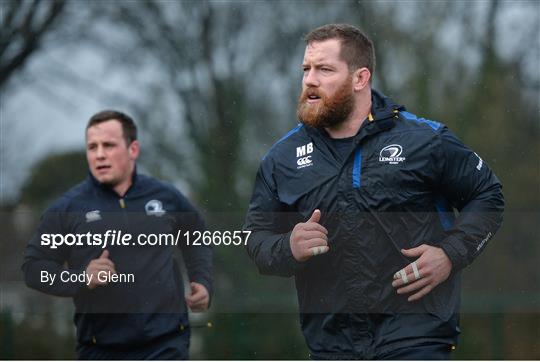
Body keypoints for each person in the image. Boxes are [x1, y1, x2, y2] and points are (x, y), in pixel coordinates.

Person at [244, 24, 504, 360]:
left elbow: (488, 195)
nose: (310, 80)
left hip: (416, 337)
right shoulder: (281, 158)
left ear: (360, 78)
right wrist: (287, 246)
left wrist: (450, 253)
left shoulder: (425, 139)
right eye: (306, 70)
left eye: (324, 69)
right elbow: (254, 237)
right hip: (330, 346)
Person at [22, 110, 212, 359]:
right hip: (101, 349)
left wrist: (202, 281)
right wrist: (81, 278)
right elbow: (34, 268)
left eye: (108, 145)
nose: (99, 154)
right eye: (92, 147)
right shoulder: (67, 208)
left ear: (133, 149)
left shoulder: (165, 196)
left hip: (166, 343)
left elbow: (196, 234)